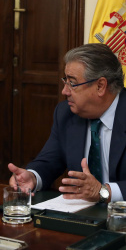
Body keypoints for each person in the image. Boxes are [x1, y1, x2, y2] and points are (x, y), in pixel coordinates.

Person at [8, 43, 126, 203]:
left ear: (100, 86)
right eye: (65, 81)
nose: (65, 91)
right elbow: (50, 160)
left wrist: (104, 192)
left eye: (72, 83)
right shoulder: (66, 113)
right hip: (81, 217)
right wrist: (33, 177)